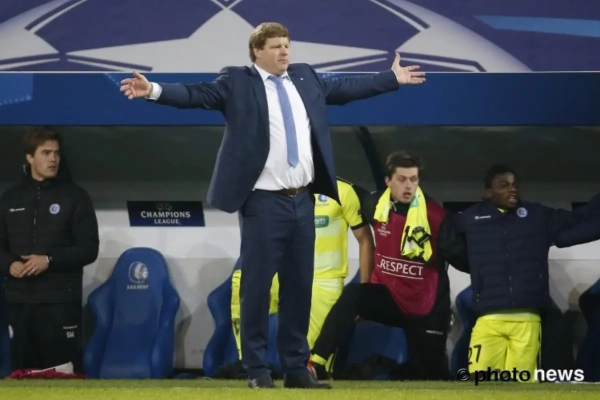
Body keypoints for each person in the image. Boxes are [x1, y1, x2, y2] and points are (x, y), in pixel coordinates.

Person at [119, 22, 424, 389]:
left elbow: (346, 88)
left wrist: (390, 79)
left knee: (299, 287)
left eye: (287, 45)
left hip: (303, 201)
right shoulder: (237, 81)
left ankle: (296, 369)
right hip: (263, 203)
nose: (284, 52)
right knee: (257, 288)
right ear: (257, 51)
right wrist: (153, 90)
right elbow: (195, 94)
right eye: (276, 46)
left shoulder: (305, 77)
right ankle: (257, 369)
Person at [308, 150, 470, 381]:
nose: (408, 186)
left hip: (426, 308)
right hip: (391, 298)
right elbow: (349, 193)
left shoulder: (435, 217)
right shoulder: (374, 204)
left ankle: (388, 370)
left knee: (430, 377)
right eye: (402, 179)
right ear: (388, 181)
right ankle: (317, 363)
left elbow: (464, 260)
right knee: (354, 295)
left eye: (413, 179)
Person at [456, 164, 600, 382]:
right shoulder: (470, 218)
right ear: (489, 191)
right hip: (488, 317)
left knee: (521, 387)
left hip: (527, 318)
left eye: (515, 185)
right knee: (480, 381)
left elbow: (579, 218)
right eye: (504, 185)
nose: (512, 189)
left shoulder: (536, 215)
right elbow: (447, 241)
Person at [230, 178, 374, 373]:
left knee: (313, 364)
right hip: (285, 273)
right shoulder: (280, 187)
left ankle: (310, 371)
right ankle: (247, 363)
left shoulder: (342, 190)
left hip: (324, 280)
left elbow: (365, 240)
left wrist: (364, 292)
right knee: (241, 281)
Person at [0, 128, 99, 374]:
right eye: (46, 153)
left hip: (60, 302)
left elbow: (89, 249)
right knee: (23, 375)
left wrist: (49, 259)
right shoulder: (10, 198)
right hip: (19, 302)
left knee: (62, 374)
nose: (53, 159)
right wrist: (9, 264)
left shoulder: (76, 197)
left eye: (56, 153)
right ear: (29, 157)